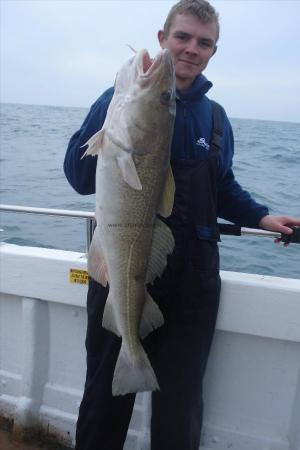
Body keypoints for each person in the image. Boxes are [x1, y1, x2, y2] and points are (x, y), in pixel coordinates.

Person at [64, 1, 300, 449]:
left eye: (204, 42)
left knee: (182, 406)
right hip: (120, 269)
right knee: (102, 401)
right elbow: (78, 179)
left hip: (193, 280)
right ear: (162, 39)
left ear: (213, 51)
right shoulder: (119, 101)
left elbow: (223, 185)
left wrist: (262, 216)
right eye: (183, 37)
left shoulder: (215, 118)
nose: (192, 49)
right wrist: (113, 103)